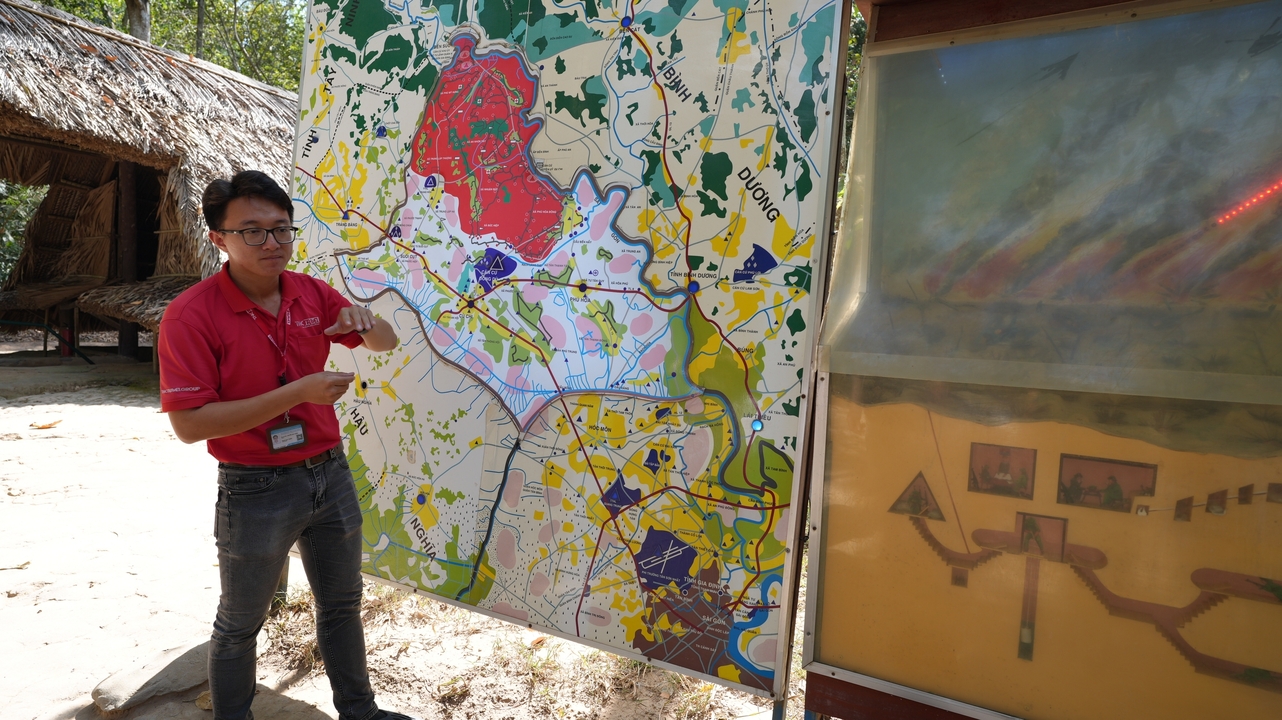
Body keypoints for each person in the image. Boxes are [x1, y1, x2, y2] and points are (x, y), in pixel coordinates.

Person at [157, 170, 411, 720]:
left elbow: (385, 344)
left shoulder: (310, 293)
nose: (271, 243)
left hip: (329, 471)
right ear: (219, 239)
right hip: (255, 484)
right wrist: (298, 392)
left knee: (342, 605)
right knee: (240, 622)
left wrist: (366, 323)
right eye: (252, 231)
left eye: (281, 230)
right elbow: (190, 425)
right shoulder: (191, 315)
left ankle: (360, 711)